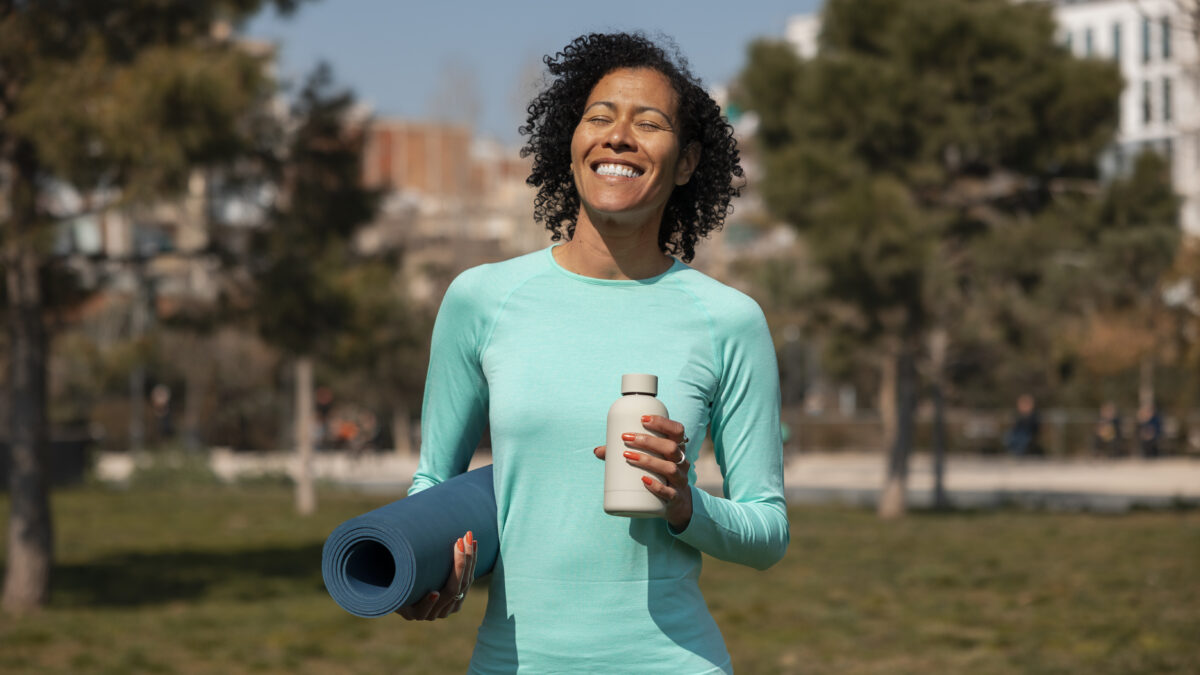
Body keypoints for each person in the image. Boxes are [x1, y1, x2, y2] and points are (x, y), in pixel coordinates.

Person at [398, 32, 789, 673]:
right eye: (599, 117)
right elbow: (432, 484)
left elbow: (767, 534)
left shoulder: (729, 320)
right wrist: (424, 566)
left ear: (687, 162)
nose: (618, 137)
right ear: (571, 142)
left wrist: (687, 504)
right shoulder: (480, 299)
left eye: (650, 123)